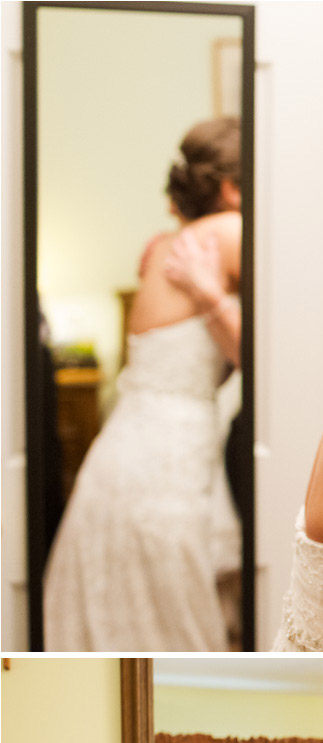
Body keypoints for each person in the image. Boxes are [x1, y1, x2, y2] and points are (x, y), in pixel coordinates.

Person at [43, 118, 242, 652]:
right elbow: (270, 359)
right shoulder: (231, 233)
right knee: (172, 602)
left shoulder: (167, 245)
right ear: (230, 189)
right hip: (170, 446)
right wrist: (213, 299)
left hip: (126, 443)